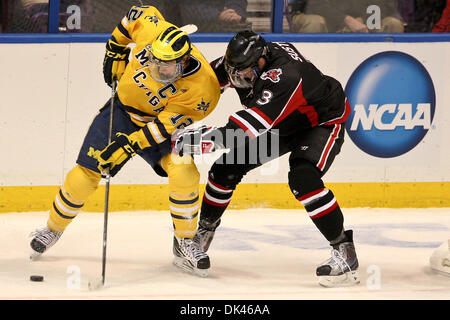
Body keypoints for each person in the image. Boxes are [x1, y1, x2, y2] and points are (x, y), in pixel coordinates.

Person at [29, 5, 221, 277]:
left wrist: (128, 145)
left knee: (184, 171)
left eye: (166, 67)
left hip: (158, 127)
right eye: (155, 61)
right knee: (85, 174)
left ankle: (186, 240)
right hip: (121, 112)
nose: (157, 70)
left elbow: (160, 130)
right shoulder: (154, 30)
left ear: (184, 61)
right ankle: (52, 228)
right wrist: (115, 49)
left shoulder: (203, 91)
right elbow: (135, 14)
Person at [172, 30, 360, 287]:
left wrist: (198, 141)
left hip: (321, 122)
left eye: (245, 75)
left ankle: (344, 252)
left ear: (261, 62)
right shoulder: (243, 61)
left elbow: (238, 133)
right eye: (234, 73)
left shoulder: (286, 77)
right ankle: (202, 233)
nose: (239, 80)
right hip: (285, 120)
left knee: (303, 178)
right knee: (227, 167)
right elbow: (207, 79)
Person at [290, 0, 403, 33]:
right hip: (327, 20)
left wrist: (363, 19)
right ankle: (307, 70)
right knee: (314, 23)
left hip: (366, 23)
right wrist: (345, 19)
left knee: (393, 24)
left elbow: (386, 4)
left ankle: (385, 68)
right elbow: (314, 4)